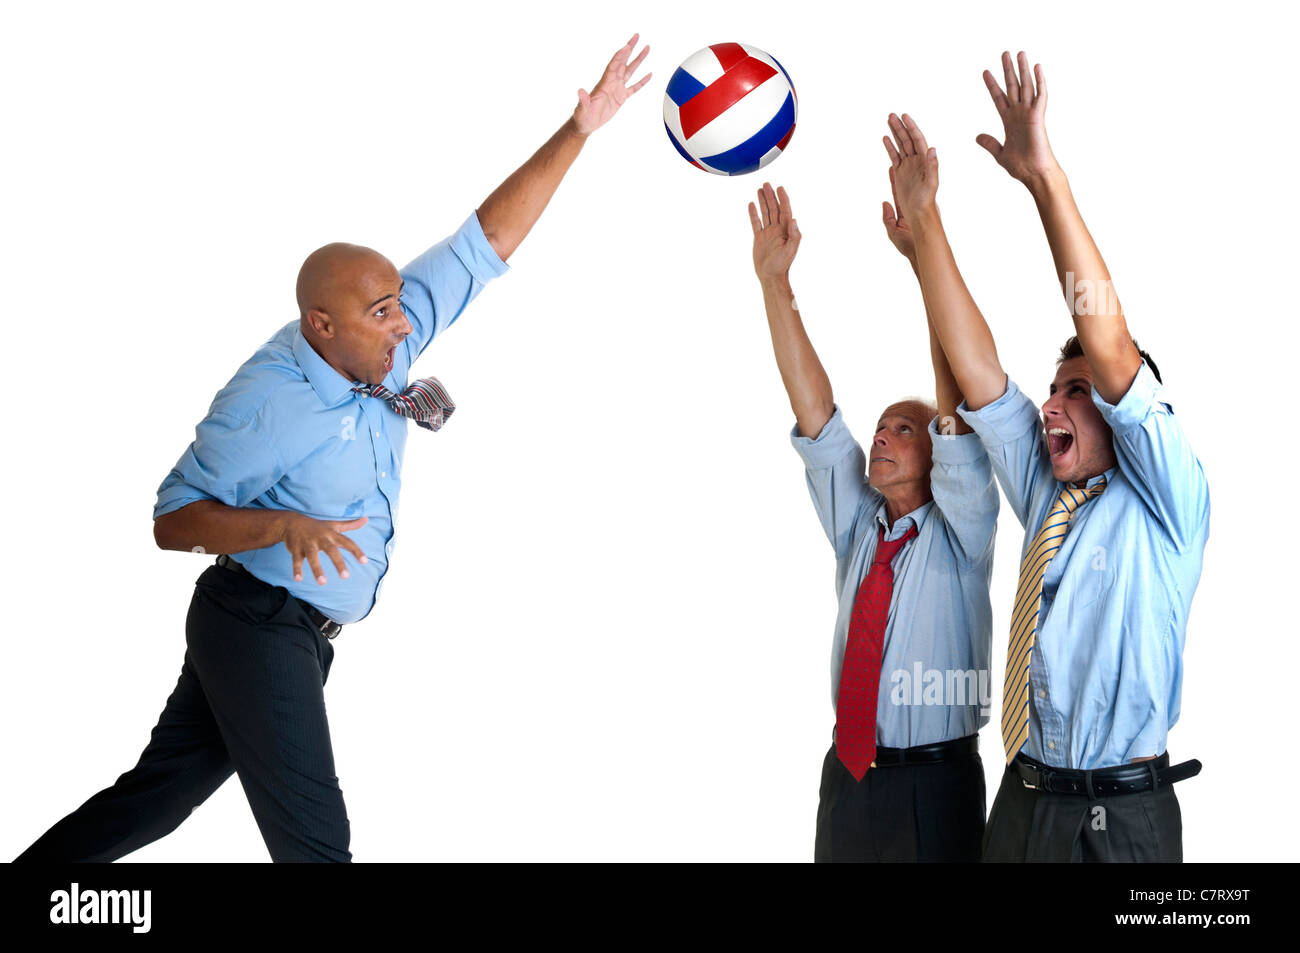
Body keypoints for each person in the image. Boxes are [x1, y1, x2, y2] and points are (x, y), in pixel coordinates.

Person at [14, 36, 652, 864]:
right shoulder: (268, 401)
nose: (404, 322)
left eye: (398, 304)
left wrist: (579, 129)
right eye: (382, 311)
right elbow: (171, 521)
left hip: (300, 634)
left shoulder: (382, 347)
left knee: (157, 797)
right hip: (257, 624)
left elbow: (482, 243)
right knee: (317, 846)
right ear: (322, 325)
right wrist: (280, 526)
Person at [885, 53, 1209, 862]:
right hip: (1021, 805)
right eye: (1055, 389)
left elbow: (1108, 338)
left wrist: (1044, 181)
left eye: (1077, 389)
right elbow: (975, 369)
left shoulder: (1165, 501)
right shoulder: (1051, 500)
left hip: (1118, 821)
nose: (1050, 403)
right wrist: (927, 228)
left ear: (1126, 412)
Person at [749, 180, 999, 862]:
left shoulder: (963, 534)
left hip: (933, 784)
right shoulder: (860, 528)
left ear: (941, 451)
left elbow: (953, 402)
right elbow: (816, 411)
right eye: (881, 427)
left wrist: (924, 263)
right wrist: (776, 284)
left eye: (903, 429)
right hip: (849, 776)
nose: (882, 437)